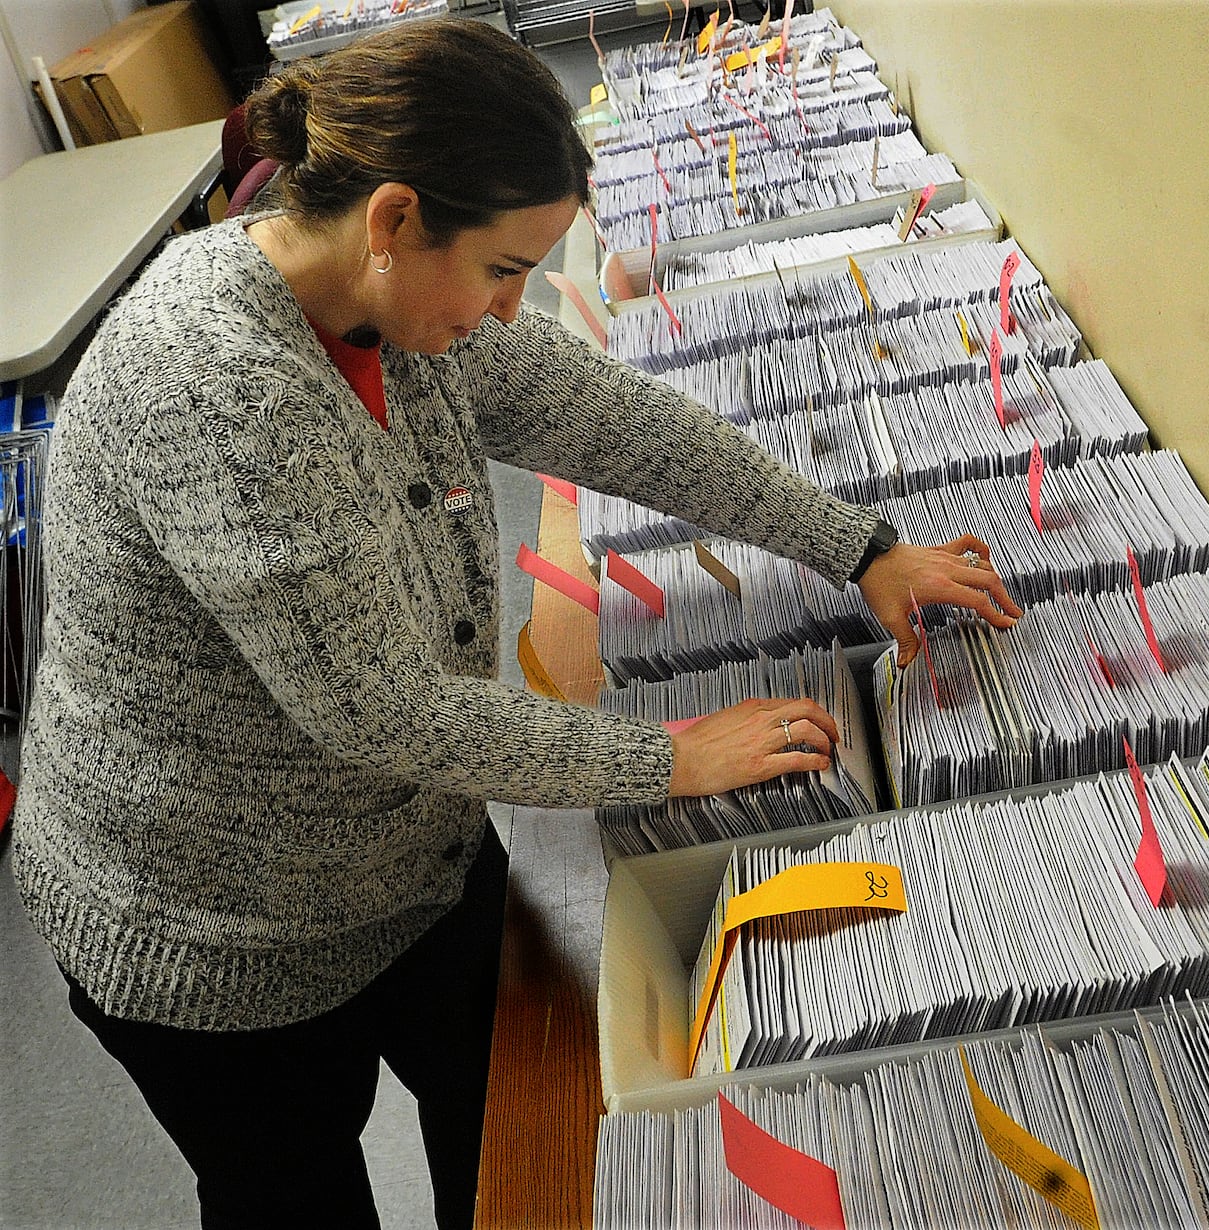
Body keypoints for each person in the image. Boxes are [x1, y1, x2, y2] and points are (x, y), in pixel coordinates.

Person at [10, 18, 1022, 1230]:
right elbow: (379, 709)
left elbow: (617, 422)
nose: (510, 310)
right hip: (215, 935)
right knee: (291, 1199)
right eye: (503, 269)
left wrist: (857, 547)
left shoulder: (391, 306)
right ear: (392, 220)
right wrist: (666, 760)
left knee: (510, 1159)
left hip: (416, 862)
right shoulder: (219, 387)